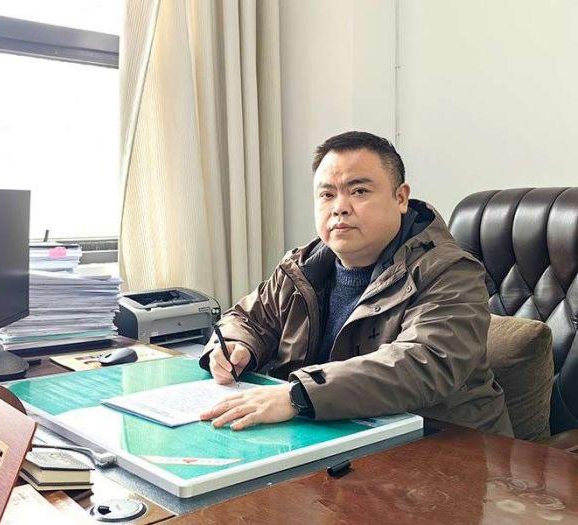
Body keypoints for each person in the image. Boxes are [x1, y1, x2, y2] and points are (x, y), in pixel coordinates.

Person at [199, 131, 513, 436]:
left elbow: (426, 362)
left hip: (442, 446)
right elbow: (246, 318)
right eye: (327, 195)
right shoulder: (301, 267)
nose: (340, 207)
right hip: (331, 437)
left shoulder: (450, 271)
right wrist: (237, 346)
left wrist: (299, 395)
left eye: (359, 191)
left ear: (400, 198)